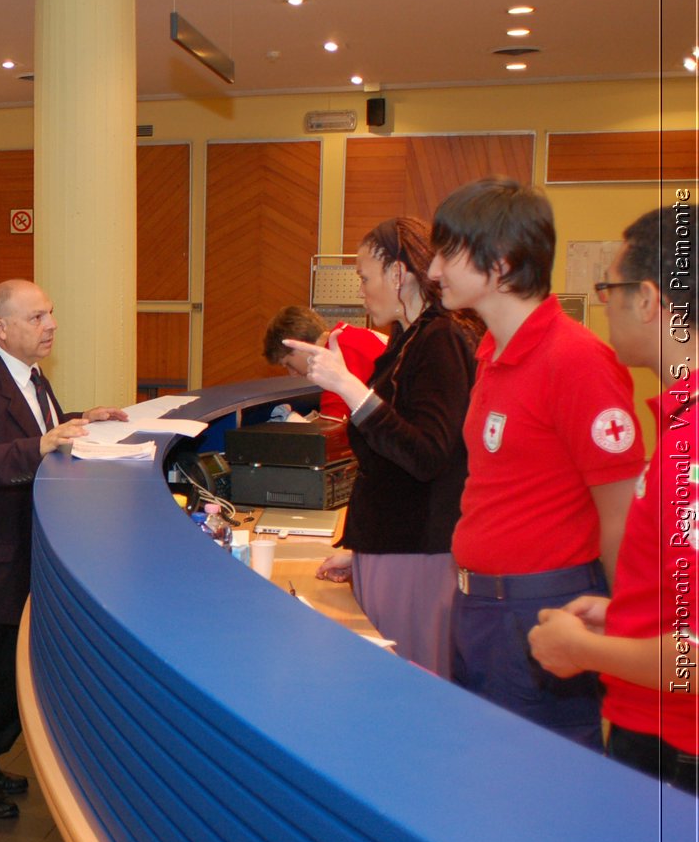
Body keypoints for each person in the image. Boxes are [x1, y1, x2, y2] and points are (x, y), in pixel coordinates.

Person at [427, 177, 643, 748]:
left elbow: (621, 512)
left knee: (536, 787)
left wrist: (628, 631)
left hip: (543, 607)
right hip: (478, 604)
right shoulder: (491, 352)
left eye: (447, 252)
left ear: (499, 265)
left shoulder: (576, 360)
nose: (432, 270)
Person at [0, 279, 128, 818]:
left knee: (7, 673)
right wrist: (40, 446)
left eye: (51, 313)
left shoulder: (29, 377)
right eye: (37, 317)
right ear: (1, 329)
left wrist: (80, 420)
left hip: (15, 553)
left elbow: (34, 428)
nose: (51, 325)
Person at [527, 204, 697, 791]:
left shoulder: (693, 447)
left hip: (675, 746)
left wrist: (585, 652)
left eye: (611, 288)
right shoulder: (681, 421)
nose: (603, 302)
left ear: (650, 300)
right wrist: (621, 619)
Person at [281, 217, 478, 678]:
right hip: (392, 550)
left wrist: (350, 388)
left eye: (364, 277)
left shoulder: (440, 339)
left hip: (417, 555)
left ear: (398, 273)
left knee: (407, 694)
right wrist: (364, 552)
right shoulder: (407, 341)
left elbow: (427, 453)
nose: (361, 290)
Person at [262, 305, 386, 420]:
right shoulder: (348, 337)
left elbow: (332, 430)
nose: (293, 374)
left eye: (288, 364)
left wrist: (291, 420)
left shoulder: (339, 352)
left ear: (300, 346)